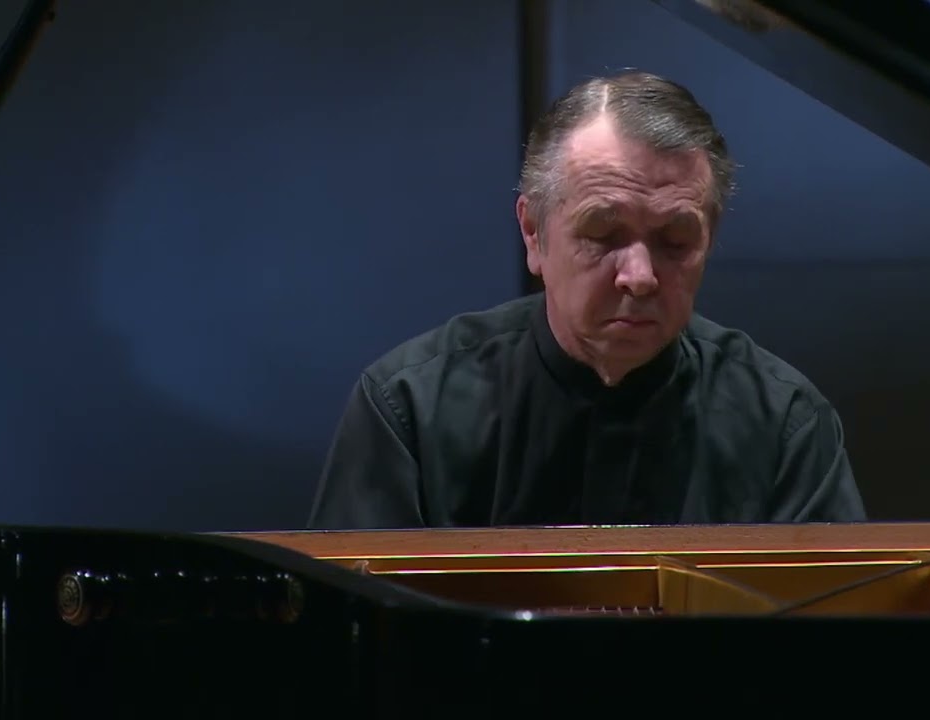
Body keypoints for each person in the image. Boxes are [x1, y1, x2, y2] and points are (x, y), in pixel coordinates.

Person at [308, 71, 866, 529]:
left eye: (676, 240)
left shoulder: (786, 424)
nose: (640, 277)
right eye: (603, 233)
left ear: (710, 238)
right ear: (534, 233)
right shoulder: (408, 407)